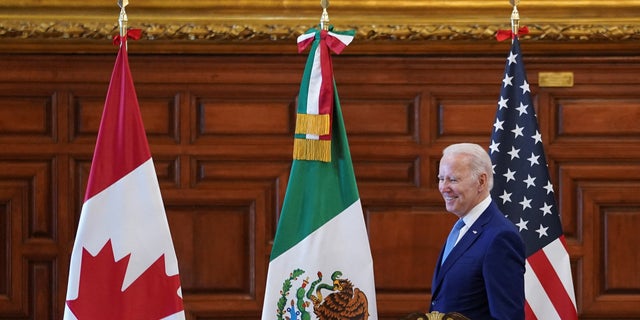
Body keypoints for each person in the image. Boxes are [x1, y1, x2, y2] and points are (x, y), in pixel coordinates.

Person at [430, 143, 525, 320]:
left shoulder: (500, 237)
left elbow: (507, 316)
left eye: (453, 179)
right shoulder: (462, 228)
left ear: (481, 181)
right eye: (441, 178)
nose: (443, 187)